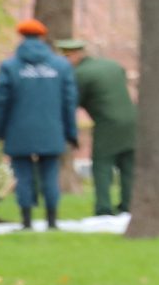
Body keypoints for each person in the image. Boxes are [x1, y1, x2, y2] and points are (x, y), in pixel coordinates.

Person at [0, 19, 78, 230]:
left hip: (18, 131)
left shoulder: (10, 67)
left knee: (23, 175)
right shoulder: (61, 66)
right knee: (50, 174)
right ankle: (52, 221)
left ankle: (26, 221)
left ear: (21, 37)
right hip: (52, 130)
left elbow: (0, 103)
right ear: (42, 37)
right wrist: (71, 133)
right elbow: (69, 101)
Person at [59, 37, 138, 217]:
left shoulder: (79, 75)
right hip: (133, 121)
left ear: (74, 55)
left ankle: (103, 208)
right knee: (128, 165)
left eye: (66, 57)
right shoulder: (112, 65)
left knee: (102, 165)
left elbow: (72, 103)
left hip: (107, 123)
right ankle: (128, 205)